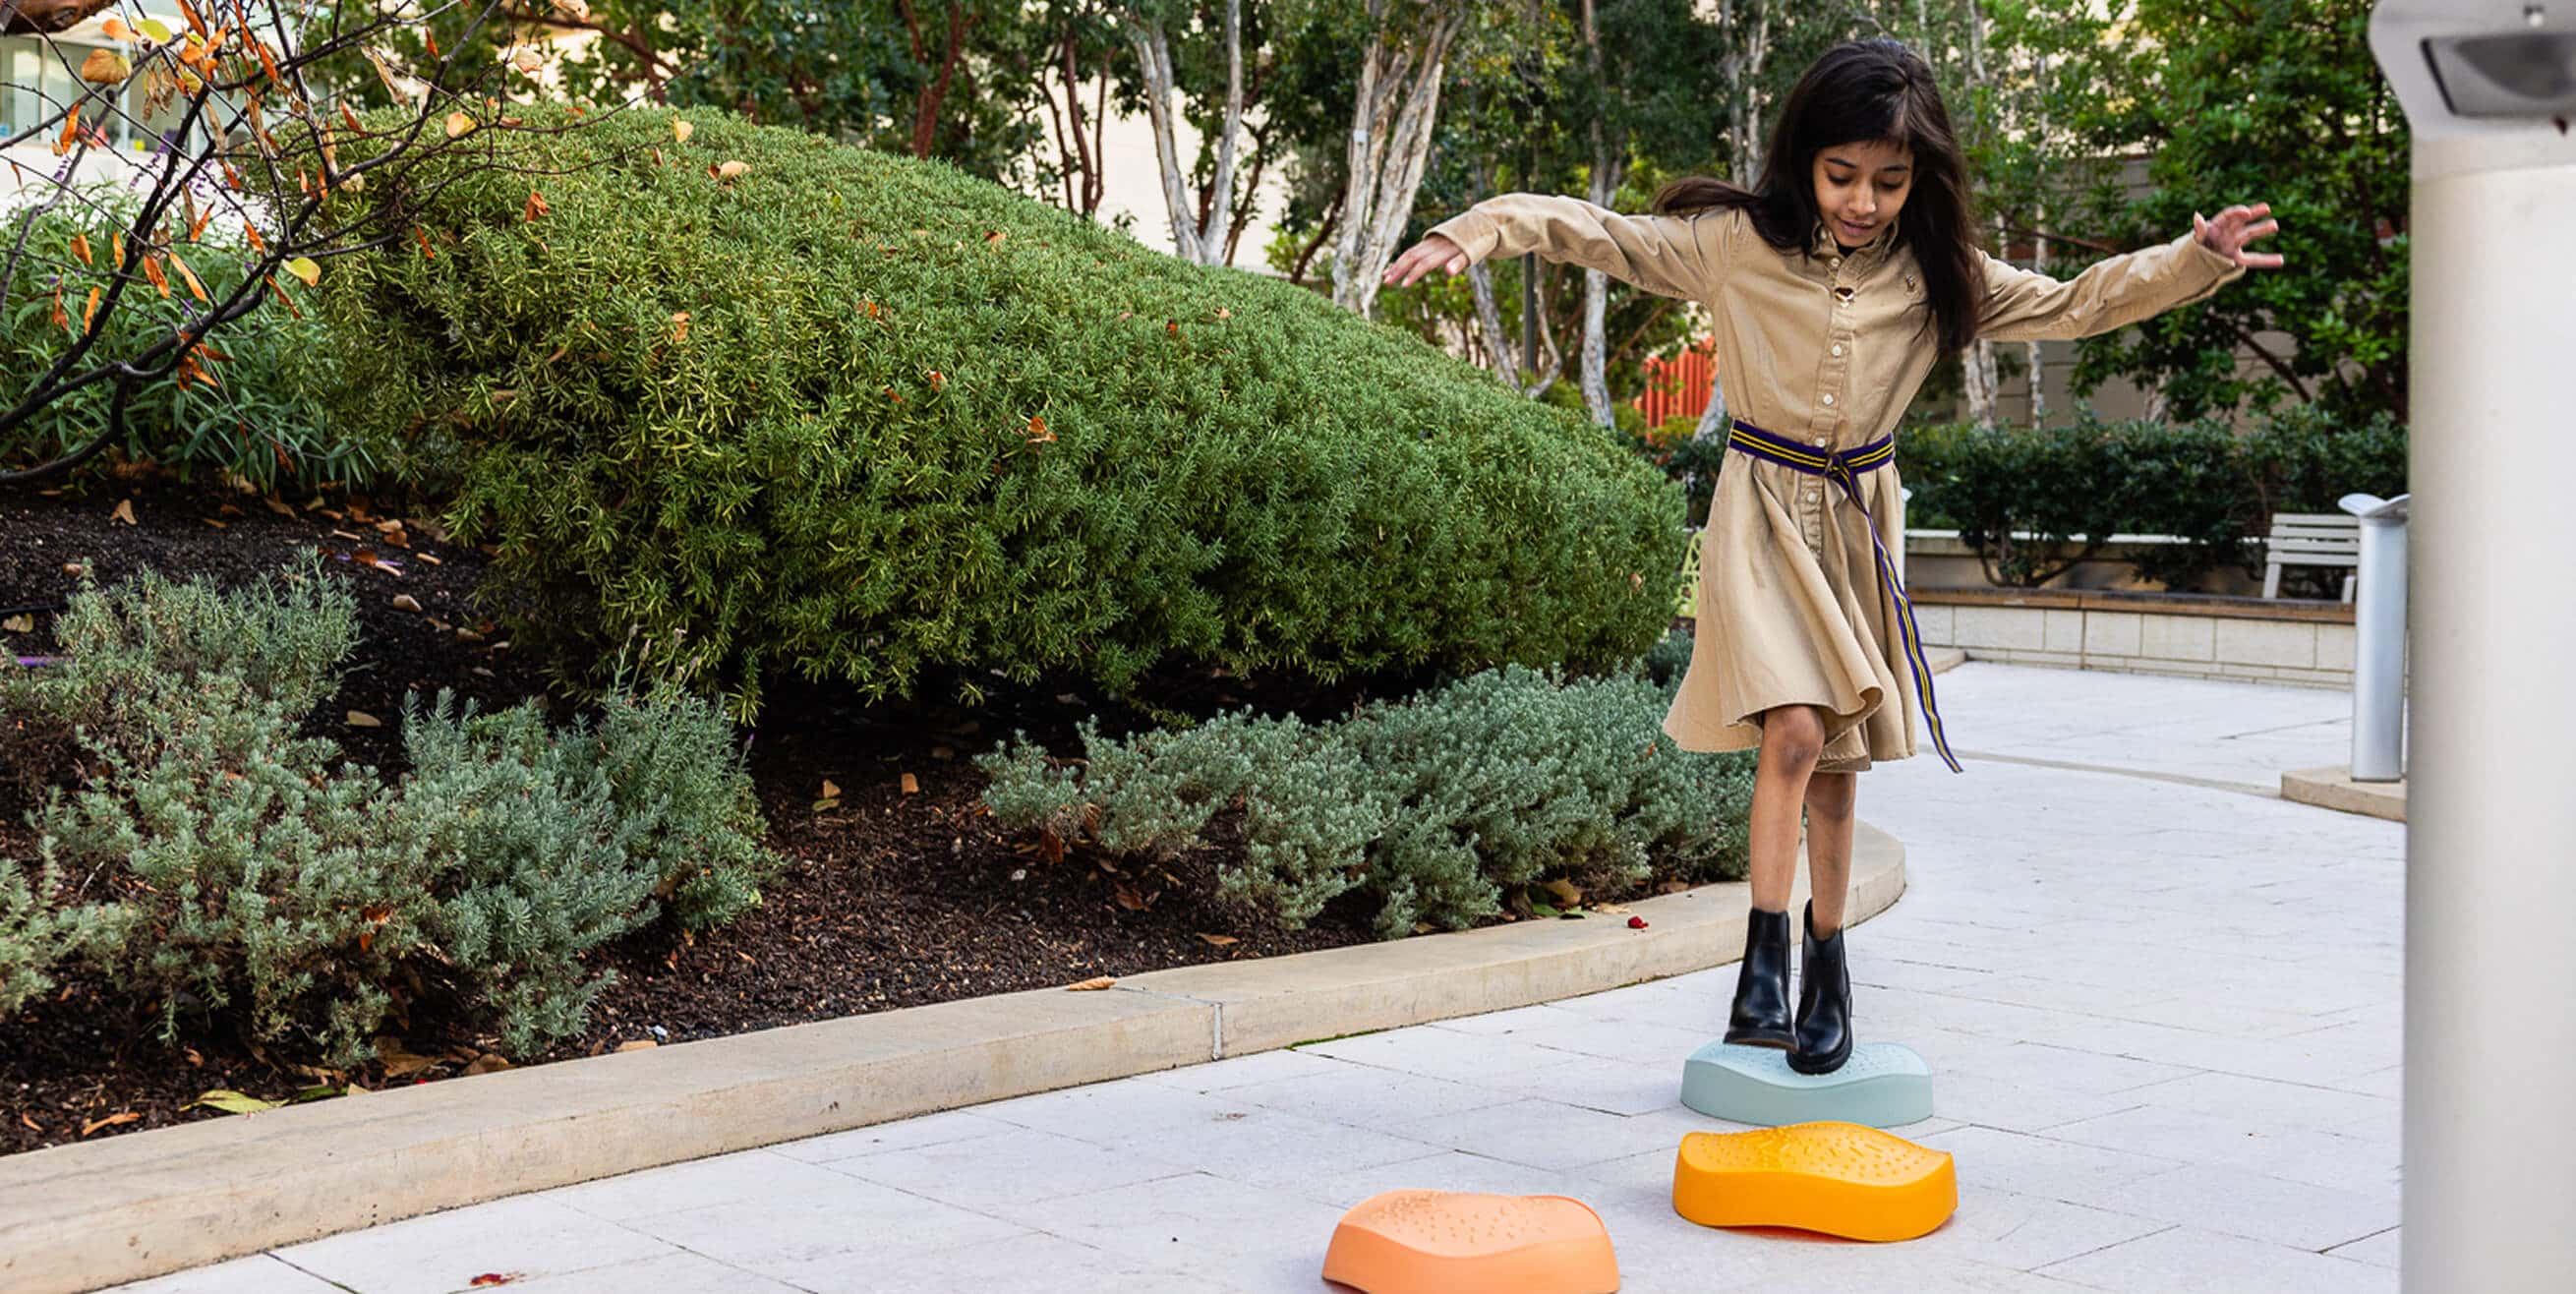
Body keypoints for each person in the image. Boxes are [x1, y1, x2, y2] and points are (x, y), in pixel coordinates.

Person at [1383, 38, 2281, 1074]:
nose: (1862, 200)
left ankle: (1828, 957)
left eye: (1889, 181)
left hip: (1857, 522)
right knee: (1797, 730)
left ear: (1919, 178)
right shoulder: (1732, 243)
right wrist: (1479, 229)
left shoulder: (1939, 274)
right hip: (1760, 510)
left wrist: (2196, 256)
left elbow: (2078, 302)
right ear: (1804, 159)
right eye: (1842, 174)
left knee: (1837, 765)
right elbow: (1600, 233)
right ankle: (1762, 956)